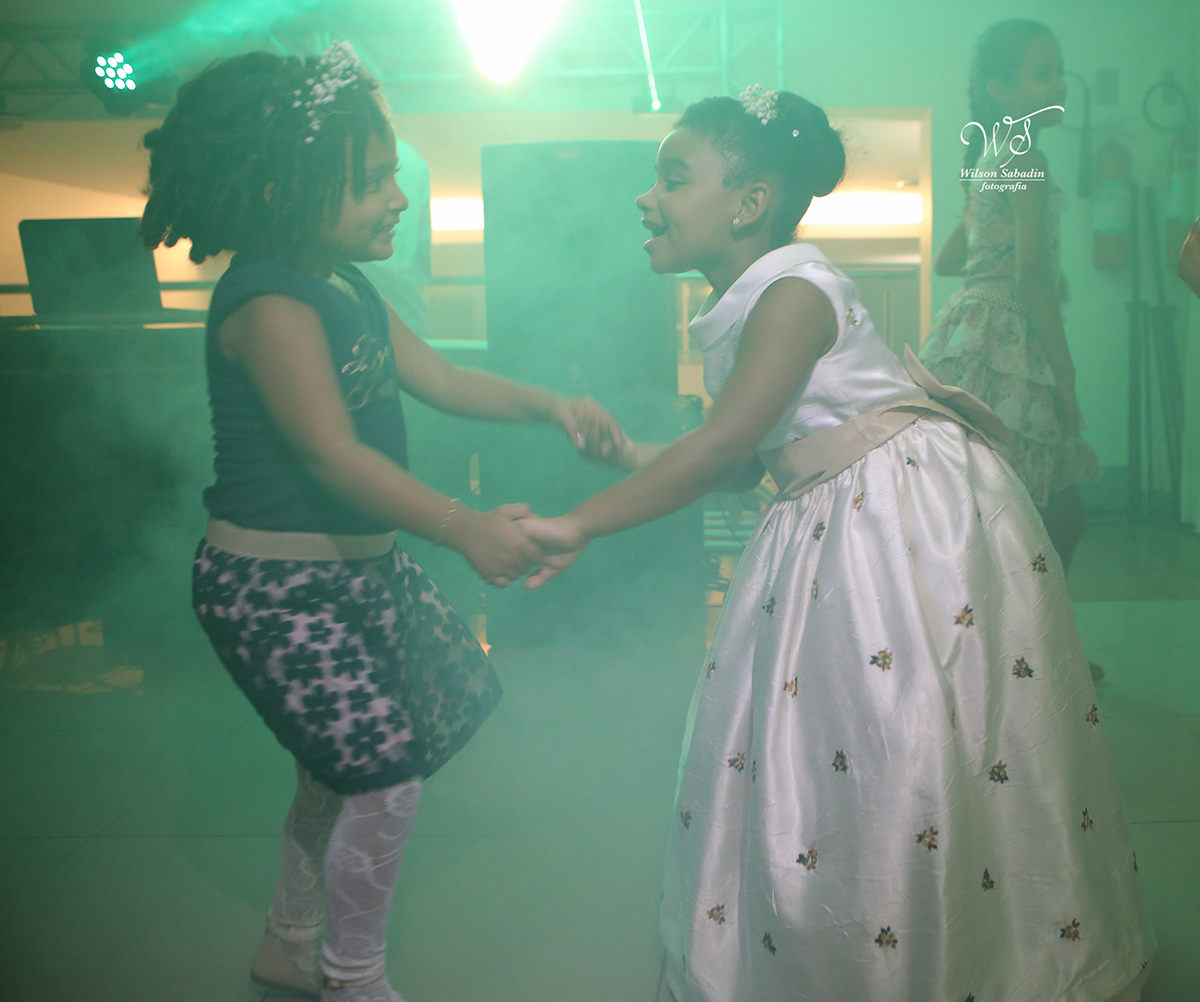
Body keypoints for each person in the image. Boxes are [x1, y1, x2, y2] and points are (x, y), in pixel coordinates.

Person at [525, 86, 1154, 1002]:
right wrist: (633, 454)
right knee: (839, 732)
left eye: (672, 177)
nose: (645, 198)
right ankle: (865, 937)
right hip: (833, 506)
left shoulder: (792, 294)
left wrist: (579, 522)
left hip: (895, 519)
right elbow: (750, 454)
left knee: (902, 728)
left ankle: (935, 950)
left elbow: (724, 449)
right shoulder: (754, 298)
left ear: (749, 203)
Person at [139, 43, 621, 1002]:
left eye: (392, 174)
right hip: (275, 587)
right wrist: (463, 526)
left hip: (354, 572)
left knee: (341, 771)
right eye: (370, 182)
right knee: (383, 777)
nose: (398, 198)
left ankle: (290, 941)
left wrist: (551, 404)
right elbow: (333, 456)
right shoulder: (269, 300)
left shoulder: (344, 286)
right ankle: (351, 976)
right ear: (282, 191)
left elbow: (442, 377)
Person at [922, 20, 1100, 577]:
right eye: (1044, 74)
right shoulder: (1025, 161)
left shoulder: (994, 159)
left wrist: (980, 214)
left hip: (968, 333)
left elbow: (948, 262)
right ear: (999, 89)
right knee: (1046, 509)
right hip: (1008, 337)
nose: (1061, 84)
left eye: (1059, 72)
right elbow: (1032, 276)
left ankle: (1004, 623)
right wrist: (1066, 375)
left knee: (996, 497)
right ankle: (1035, 626)